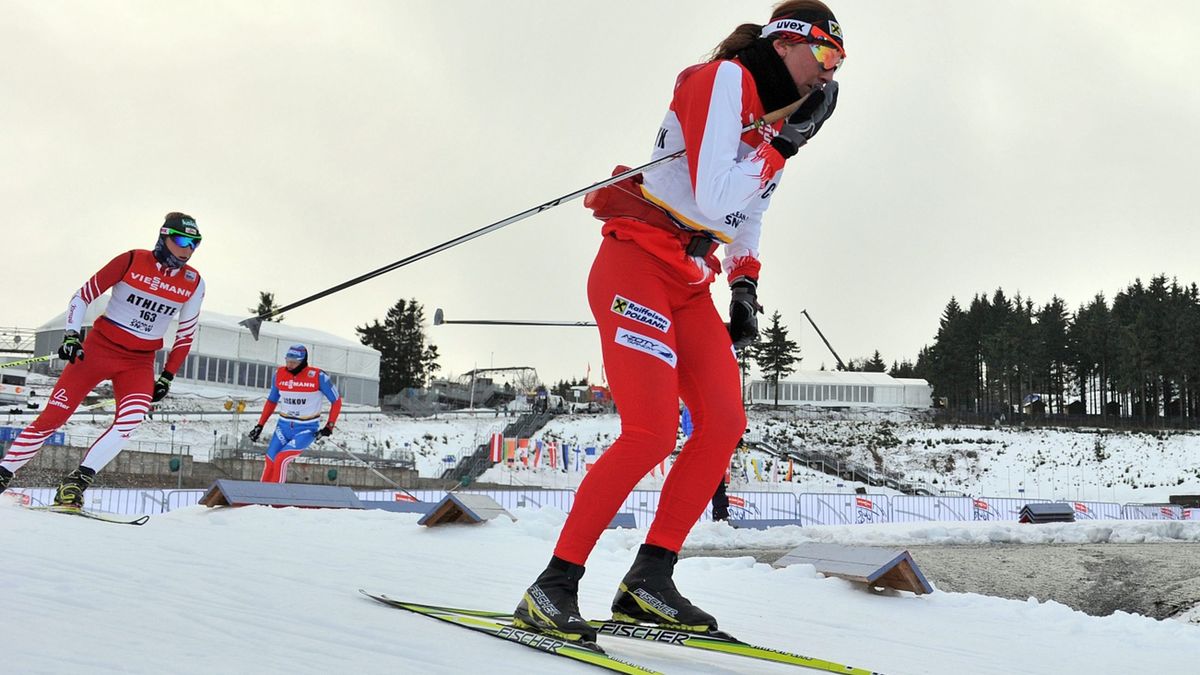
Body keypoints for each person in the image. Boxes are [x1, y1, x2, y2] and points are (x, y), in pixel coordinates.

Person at [514, 1, 843, 645]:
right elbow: (717, 191)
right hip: (635, 262)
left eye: (839, 67)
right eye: (827, 56)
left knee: (723, 424)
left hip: (692, 280)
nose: (828, 77)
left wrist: (745, 285)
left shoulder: (773, 113)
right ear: (787, 43)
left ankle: (648, 580)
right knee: (651, 430)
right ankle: (552, 585)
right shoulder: (722, 80)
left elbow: (747, 211)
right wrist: (786, 143)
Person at [0, 213, 205, 505]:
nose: (188, 249)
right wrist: (71, 335)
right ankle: (3, 473)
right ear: (163, 236)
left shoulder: (193, 282)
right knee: (53, 417)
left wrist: (168, 375)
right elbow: (81, 296)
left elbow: (185, 336)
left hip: (139, 362)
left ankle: (76, 483)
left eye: (195, 243)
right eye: (183, 240)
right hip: (98, 350)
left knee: (130, 420)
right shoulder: (132, 260)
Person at [248, 344, 342, 483]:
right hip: (283, 427)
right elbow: (272, 401)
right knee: (270, 459)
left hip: (306, 429)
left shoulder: (318, 376)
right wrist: (259, 425)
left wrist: (329, 426)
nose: (290, 365)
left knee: (281, 459)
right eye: (288, 361)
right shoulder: (279, 374)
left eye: (294, 362)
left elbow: (337, 401)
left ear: (303, 362)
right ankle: (260, 499)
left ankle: (274, 499)